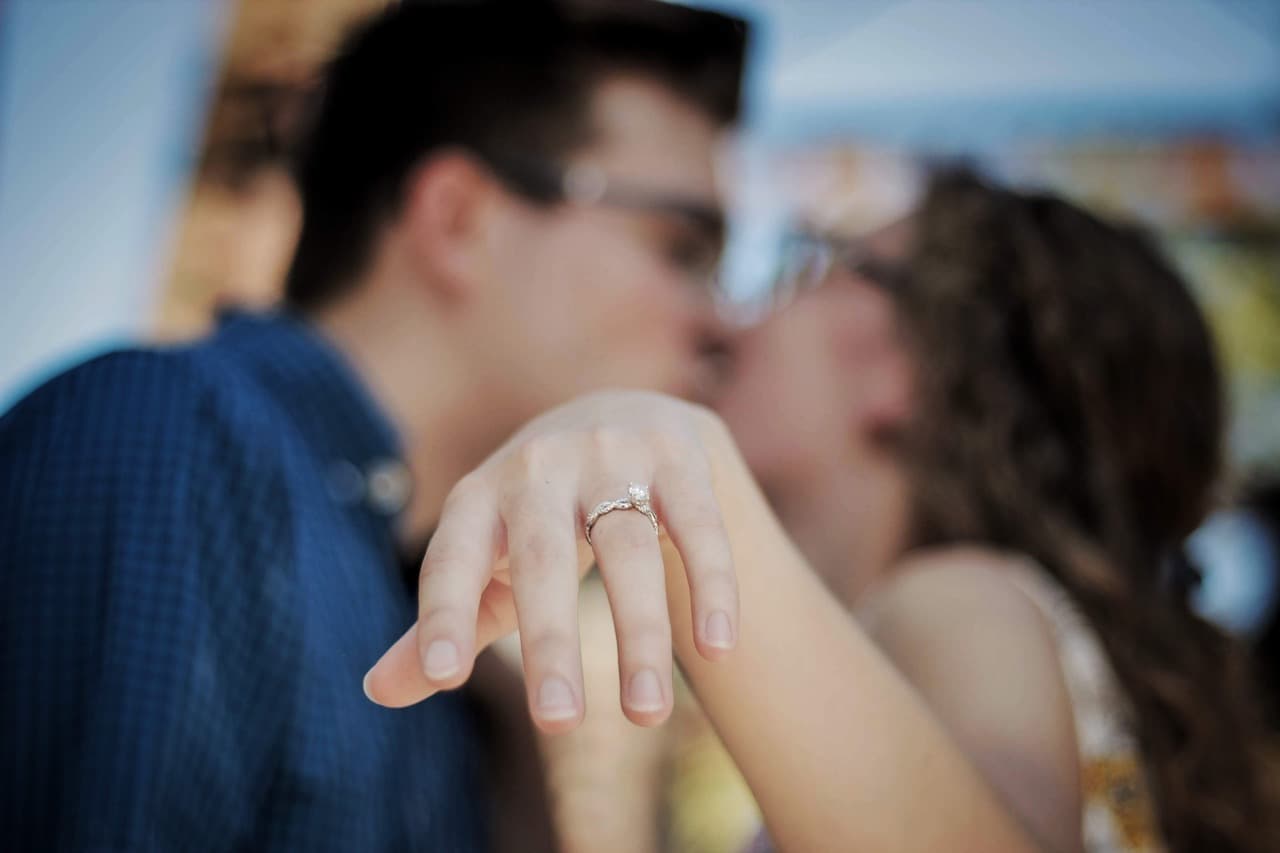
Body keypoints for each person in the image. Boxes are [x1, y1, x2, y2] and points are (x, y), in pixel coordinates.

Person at [0, 2, 748, 850]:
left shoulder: (447, 643)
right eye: (684, 246)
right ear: (456, 217)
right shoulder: (166, 442)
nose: (722, 320)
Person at [366, 170, 1279, 852]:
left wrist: (681, 456)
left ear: (907, 361)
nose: (727, 319)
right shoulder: (979, 630)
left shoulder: (959, 597)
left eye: (819, 267)